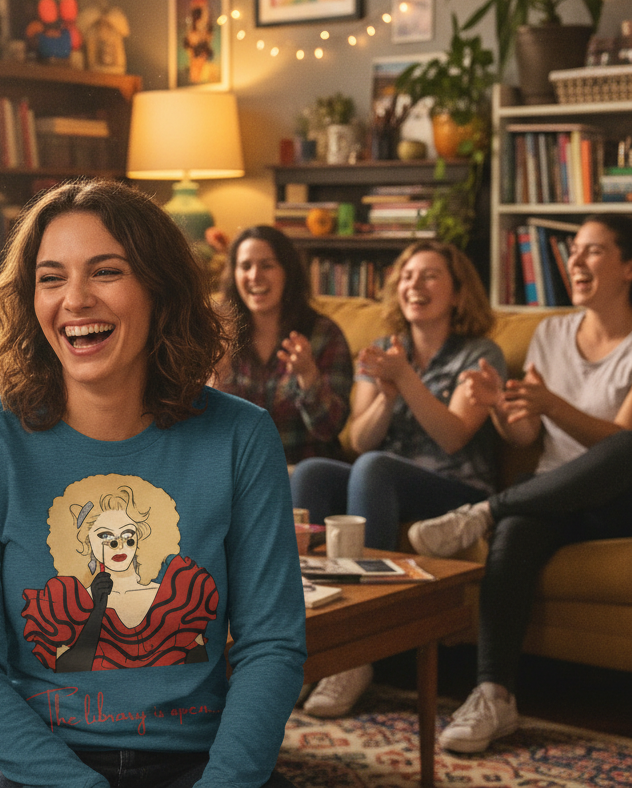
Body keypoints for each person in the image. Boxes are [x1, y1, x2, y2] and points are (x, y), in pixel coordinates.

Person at [0, 179, 304, 788]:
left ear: (160, 290)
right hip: (31, 769)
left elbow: (272, 645)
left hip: (197, 765)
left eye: (105, 271)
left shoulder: (242, 436)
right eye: (51, 278)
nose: (74, 299)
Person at [408, 215, 632, 754]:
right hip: (552, 494)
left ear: (628, 267)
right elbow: (525, 432)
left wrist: (552, 402)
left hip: (620, 496)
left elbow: (620, 446)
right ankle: (494, 694)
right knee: (517, 529)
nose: (575, 262)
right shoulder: (551, 333)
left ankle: (484, 510)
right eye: (573, 251)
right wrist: (499, 407)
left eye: (593, 251)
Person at [290, 241, 506, 719]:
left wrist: (406, 380)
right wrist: (386, 397)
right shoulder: (387, 351)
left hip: (457, 489)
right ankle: (302, 640)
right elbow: (362, 439)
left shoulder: (479, 353)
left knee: (375, 468)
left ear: (457, 293)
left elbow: (453, 436)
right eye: (408, 276)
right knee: (314, 472)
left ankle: (361, 651)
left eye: (430, 276)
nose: (415, 285)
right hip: (385, 480)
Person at [211, 225, 352, 465]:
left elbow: (329, 429)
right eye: (245, 266)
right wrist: (213, 378)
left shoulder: (323, 334)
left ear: (288, 272)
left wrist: (309, 377)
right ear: (233, 275)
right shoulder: (218, 334)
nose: (255, 276)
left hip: (301, 472)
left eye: (267, 265)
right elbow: (196, 424)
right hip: (235, 471)